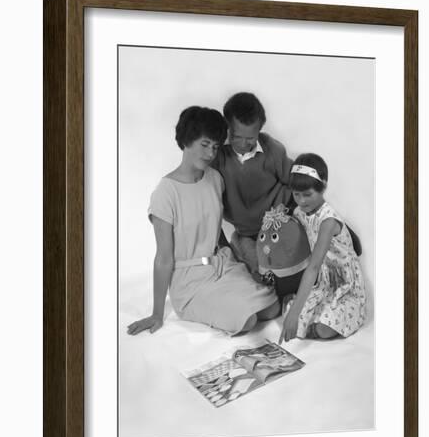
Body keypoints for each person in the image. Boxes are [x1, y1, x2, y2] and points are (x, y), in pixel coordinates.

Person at [127, 106, 280, 337]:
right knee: (247, 321)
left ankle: (236, 295)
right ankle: (219, 305)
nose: (210, 153)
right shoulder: (165, 192)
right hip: (190, 282)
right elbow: (163, 258)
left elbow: (214, 229)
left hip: (222, 266)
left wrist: (239, 261)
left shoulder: (214, 179)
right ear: (187, 141)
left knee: (272, 308)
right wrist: (157, 313)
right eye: (205, 144)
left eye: (216, 146)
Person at [280, 153, 366, 342]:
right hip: (325, 282)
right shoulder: (300, 212)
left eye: (308, 194)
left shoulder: (328, 222)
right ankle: (305, 310)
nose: (301, 201)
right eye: (296, 194)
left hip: (346, 284)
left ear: (323, 186)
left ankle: (324, 318)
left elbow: (314, 267)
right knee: (292, 318)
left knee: (323, 329)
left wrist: (295, 314)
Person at [211, 92, 294, 277]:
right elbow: (209, 208)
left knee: (294, 261)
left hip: (283, 218)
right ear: (227, 128)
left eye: (250, 138)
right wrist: (223, 248)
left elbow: (297, 182)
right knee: (262, 273)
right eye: (236, 136)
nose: (242, 143)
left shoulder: (272, 149)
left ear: (259, 131)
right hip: (248, 234)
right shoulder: (216, 158)